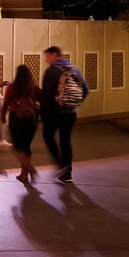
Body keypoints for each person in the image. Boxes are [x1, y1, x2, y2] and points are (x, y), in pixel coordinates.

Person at [41, 46, 90, 184]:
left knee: (48, 135)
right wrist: (74, 104)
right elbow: (86, 89)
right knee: (65, 141)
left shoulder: (51, 71)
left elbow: (47, 94)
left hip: (56, 112)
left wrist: (46, 113)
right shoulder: (73, 69)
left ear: (54, 55)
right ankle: (67, 174)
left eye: (47, 56)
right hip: (71, 113)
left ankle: (60, 165)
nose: (46, 58)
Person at [2, 64, 46, 183]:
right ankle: (23, 174)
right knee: (26, 147)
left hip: (16, 118)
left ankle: (30, 169)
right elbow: (44, 100)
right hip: (31, 120)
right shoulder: (33, 87)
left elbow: (5, 103)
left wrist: (2, 117)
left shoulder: (12, 87)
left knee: (17, 147)